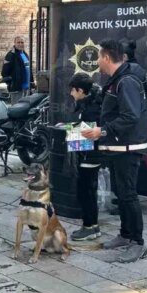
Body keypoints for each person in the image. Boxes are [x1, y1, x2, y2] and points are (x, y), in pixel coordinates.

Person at [82, 39, 147, 263]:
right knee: (121, 193)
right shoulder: (117, 80)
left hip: (128, 148)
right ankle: (126, 235)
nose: (98, 61)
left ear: (107, 58)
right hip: (117, 146)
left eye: (100, 57)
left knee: (128, 194)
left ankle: (138, 243)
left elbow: (131, 116)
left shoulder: (127, 82)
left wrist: (102, 131)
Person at [67, 73, 103, 241]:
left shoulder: (91, 109)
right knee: (89, 190)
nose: (71, 94)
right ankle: (92, 225)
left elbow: (87, 136)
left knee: (85, 191)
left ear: (80, 90)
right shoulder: (90, 103)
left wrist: (69, 133)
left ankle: (89, 226)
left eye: (73, 91)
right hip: (89, 153)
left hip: (89, 155)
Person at [2, 36, 34, 104]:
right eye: (18, 42)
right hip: (16, 88)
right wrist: (11, 83)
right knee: (16, 109)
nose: (20, 44)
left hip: (26, 88)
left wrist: (32, 82)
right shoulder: (10, 55)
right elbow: (4, 72)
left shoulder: (25, 54)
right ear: (14, 43)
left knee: (25, 108)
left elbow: (29, 70)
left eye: (22, 42)